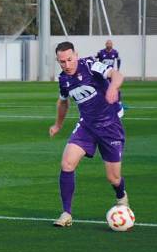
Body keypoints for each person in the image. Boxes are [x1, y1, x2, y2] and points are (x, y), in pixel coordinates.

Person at [49, 42, 128, 228]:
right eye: (62, 62)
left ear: (76, 55)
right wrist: (58, 125)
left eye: (69, 59)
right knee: (67, 163)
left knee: (113, 178)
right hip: (87, 126)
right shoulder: (63, 79)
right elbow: (63, 103)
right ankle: (66, 213)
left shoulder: (90, 64)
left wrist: (112, 87)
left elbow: (116, 75)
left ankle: (121, 196)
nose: (67, 65)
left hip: (110, 126)